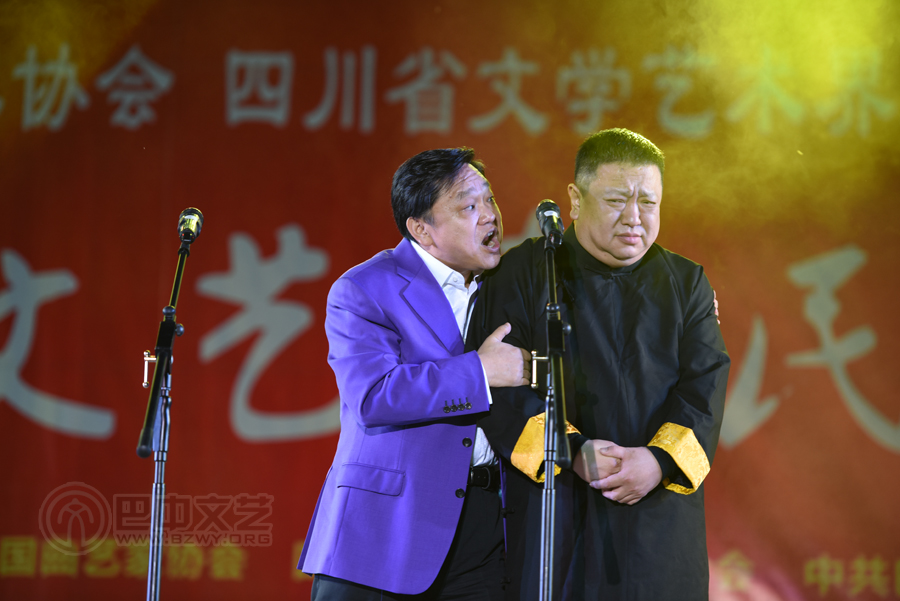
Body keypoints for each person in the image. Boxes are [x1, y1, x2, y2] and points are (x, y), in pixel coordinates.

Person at [467, 128, 731, 600]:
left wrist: (657, 461)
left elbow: (705, 387)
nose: (634, 217)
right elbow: (500, 387)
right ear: (575, 199)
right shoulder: (522, 274)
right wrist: (572, 451)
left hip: (659, 521)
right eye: (616, 200)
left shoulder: (686, 282)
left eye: (648, 202)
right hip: (558, 510)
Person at [298, 147, 530, 600]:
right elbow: (374, 396)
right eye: (468, 206)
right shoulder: (365, 287)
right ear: (422, 229)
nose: (490, 216)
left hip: (484, 528)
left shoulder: (507, 288)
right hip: (384, 531)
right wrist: (479, 371)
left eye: (490, 199)